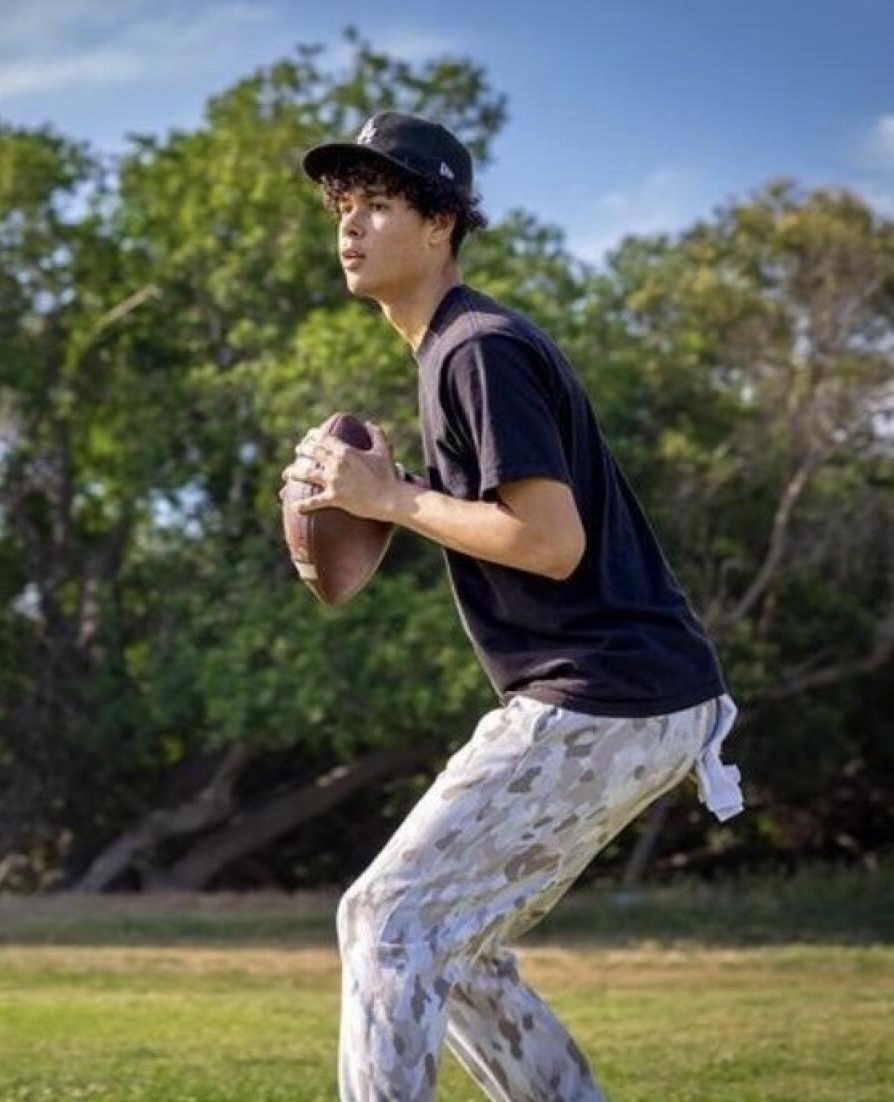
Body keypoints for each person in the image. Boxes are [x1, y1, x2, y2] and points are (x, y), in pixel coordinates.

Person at [280, 111, 745, 1102]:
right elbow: (508, 525)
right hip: (645, 698)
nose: (350, 227)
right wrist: (393, 490)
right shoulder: (454, 350)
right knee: (459, 943)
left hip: (604, 694)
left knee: (386, 922)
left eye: (378, 204)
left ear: (442, 223)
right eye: (342, 208)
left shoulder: (474, 349)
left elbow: (550, 540)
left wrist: (393, 500)